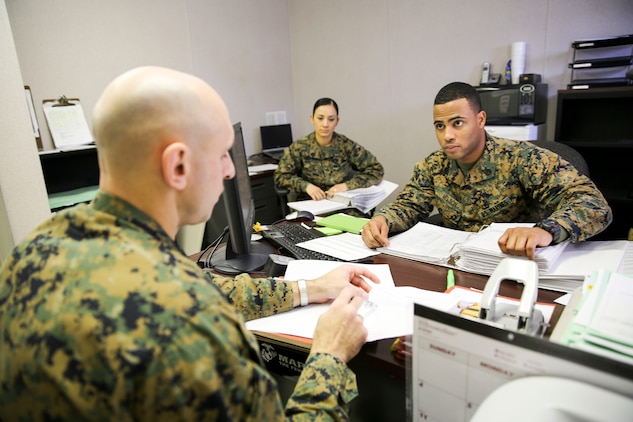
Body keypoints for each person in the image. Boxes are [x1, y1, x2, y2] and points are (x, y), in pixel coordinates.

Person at [0, 67, 381, 420]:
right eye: (221, 155)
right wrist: (329, 355)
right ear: (178, 165)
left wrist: (308, 288)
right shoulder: (194, 330)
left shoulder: (33, 250)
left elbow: (206, 287)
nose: (231, 170)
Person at [361, 81, 612, 259]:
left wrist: (546, 231)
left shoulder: (523, 159)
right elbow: (409, 204)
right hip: (456, 265)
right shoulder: (432, 166)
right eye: (439, 126)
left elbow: (593, 204)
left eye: (457, 123)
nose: (447, 135)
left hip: (514, 265)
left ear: (480, 120)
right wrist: (384, 220)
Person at [274, 97, 384, 202]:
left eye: (331, 119)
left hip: (341, 202)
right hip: (311, 203)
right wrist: (306, 186)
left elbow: (376, 169)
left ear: (337, 121)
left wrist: (347, 186)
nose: (325, 124)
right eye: (320, 118)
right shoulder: (300, 146)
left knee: (358, 221)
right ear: (312, 119)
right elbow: (281, 176)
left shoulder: (346, 145)